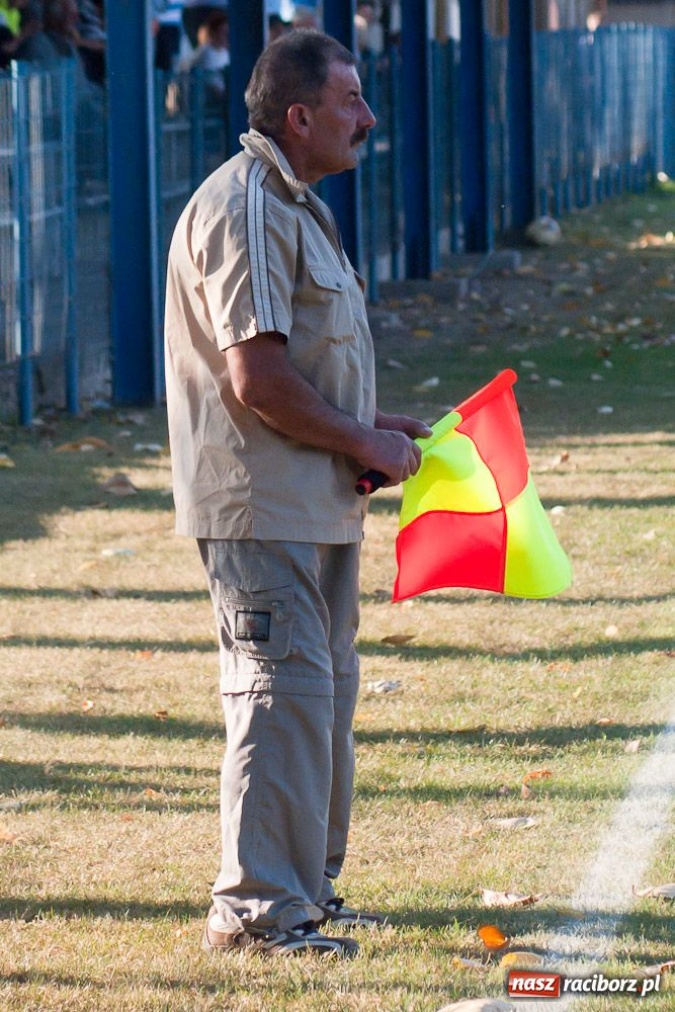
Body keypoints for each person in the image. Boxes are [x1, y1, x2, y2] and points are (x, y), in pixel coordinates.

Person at [164, 29, 430, 959]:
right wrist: (359, 439)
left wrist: (378, 425)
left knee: (319, 698)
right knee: (278, 697)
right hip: (260, 507)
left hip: (315, 503)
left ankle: (305, 896)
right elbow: (259, 381)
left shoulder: (299, 206)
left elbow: (308, 368)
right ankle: (256, 915)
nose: (369, 117)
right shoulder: (243, 207)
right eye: (353, 101)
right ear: (300, 115)